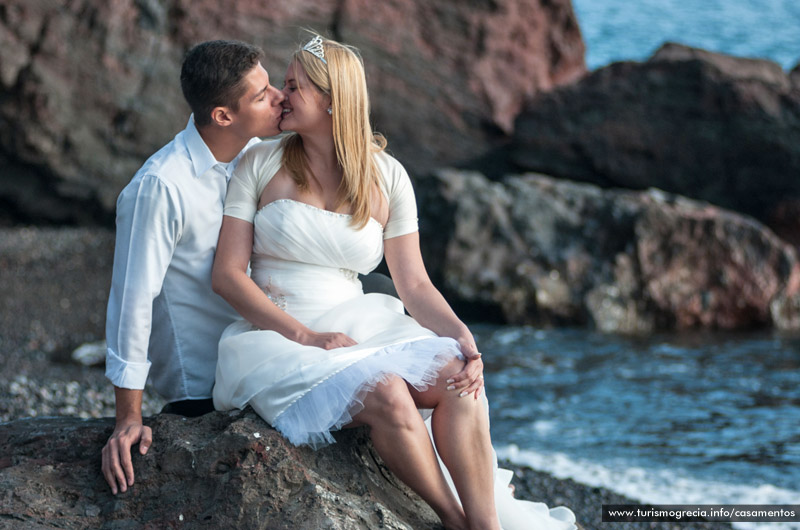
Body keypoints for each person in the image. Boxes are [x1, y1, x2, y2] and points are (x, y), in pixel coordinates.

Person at [211, 34, 577, 530]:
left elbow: (415, 285)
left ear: (332, 101)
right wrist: (307, 336)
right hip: (279, 334)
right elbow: (228, 276)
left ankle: (485, 524)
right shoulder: (261, 162)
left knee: (455, 375)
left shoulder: (388, 176)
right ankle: (453, 520)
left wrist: (465, 339)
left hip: (357, 319)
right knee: (384, 389)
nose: (281, 94)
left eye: (294, 86)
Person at [101, 40, 285, 495]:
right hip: (206, 383)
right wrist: (129, 417)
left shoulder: (254, 153)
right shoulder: (161, 186)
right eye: (262, 96)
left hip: (264, 348)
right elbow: (132, 301)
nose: (280, 96)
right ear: (223, 115)